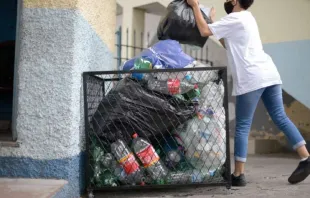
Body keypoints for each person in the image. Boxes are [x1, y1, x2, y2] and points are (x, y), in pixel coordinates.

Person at [186, 0, 310, 186]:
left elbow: (204, 31)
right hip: (269, 73)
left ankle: (238, 174)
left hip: (251, 76)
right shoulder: (247, 18)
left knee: (243, 125)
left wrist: (195, 6)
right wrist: (212, 23)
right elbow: (228, 43)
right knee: (280, 116)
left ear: (235, 1)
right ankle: (306, 158)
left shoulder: (234, 18)